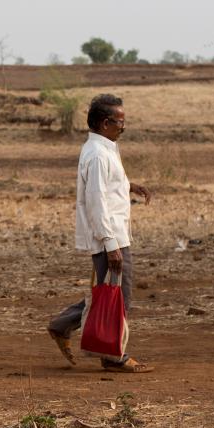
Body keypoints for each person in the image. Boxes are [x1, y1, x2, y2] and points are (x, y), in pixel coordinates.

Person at [47, 94, 154, 373]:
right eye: (120, 122)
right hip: (111, 236)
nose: (123, 127)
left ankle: (62, 325)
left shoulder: (104, 148)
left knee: (107, 292)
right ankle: (112, 356)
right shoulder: (97, 154)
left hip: (114, 234)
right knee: (119, 295)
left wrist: (128, 186)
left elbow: (106, 187)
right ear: (105, 123)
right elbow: (96, 200)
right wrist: (111, 244)